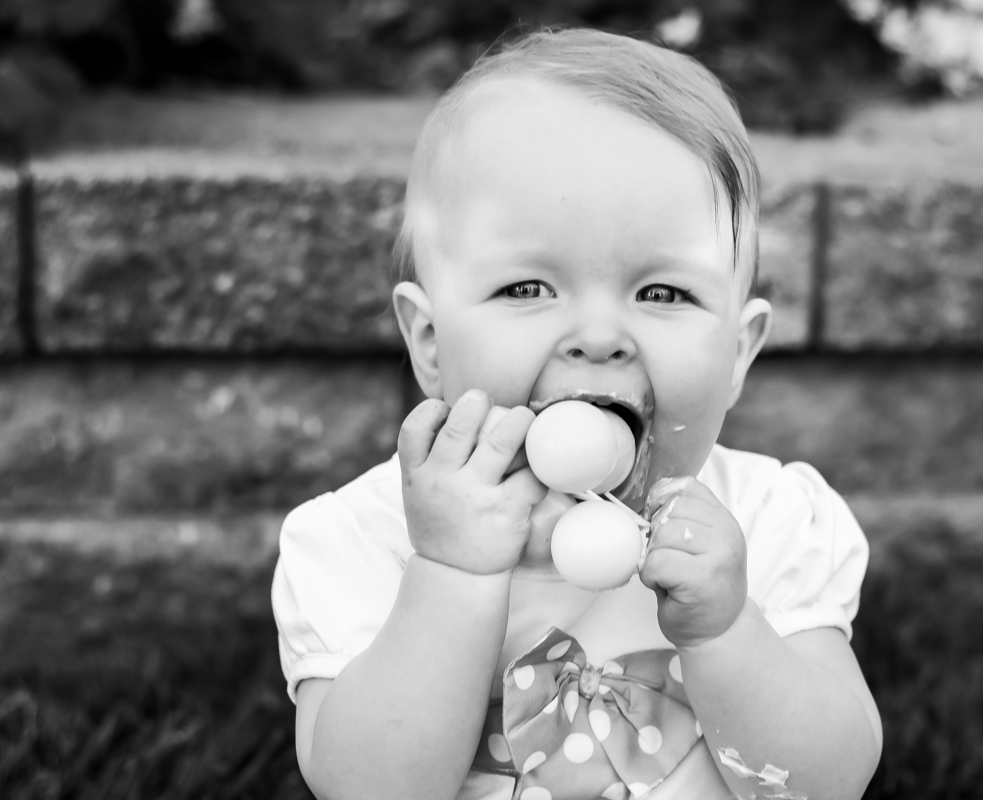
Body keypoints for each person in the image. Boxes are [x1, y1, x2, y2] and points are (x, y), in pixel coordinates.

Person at [272, 27, 882, 800]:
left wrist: (728, 630)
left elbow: (828, 783)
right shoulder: (368, 538)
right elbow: (366, 788)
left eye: (662, 292)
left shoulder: (767, 525)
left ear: (737, 352)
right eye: (526, 289)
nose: (599, 336)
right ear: (429, 341)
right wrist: (452, 574)